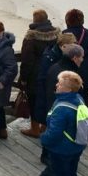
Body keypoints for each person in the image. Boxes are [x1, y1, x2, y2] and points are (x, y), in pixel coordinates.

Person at [40, 71, 87, 176]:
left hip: (62, 149)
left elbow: (54, 133)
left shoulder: (62, 108)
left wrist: (43, 138)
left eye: (60, 84)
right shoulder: (78, 98)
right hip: (77, 144)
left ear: (68, 89)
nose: (56, 85)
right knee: (71, 173)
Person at [40, 44, 86, 170]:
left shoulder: (55, 66)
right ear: (75, 58)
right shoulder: (70, 75)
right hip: (61, 106)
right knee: (58, 132)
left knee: (53, 129)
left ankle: (46, 156)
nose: (82, 59)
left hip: (52, 104)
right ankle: (50, 160)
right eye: (81, 57)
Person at [19, 9, 61, 137]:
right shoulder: (57, 34)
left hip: (35, 75)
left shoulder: (31, 37)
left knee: (34, 100)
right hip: (53, 72)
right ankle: (46, 125)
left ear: (34, 20)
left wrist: (23, 78)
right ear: (47, 19)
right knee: (49, 98)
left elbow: (27, 60)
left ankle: (35, 128)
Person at [33, 33, 78, 135]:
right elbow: (43, 77)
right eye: (72, 45)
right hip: (51, 91)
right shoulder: (50, 57)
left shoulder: (66, 56)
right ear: (63, 46)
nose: (74, 47)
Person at [63, 9, 88, 106]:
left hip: (70, 72)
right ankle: (84, 119)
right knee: (84, 98)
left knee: (70, 98)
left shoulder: (65, 34)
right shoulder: (87, 33)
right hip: (85, 72)